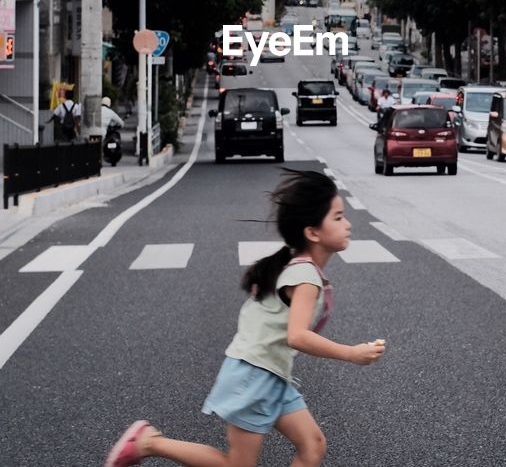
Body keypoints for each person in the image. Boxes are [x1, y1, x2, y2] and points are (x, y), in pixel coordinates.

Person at [103, 169, 386, 467]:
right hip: (254, 374)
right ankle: (149, 442)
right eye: (338, 217)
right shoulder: (305, 276)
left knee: (312, 446)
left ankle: (149, 442)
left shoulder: (298, 267)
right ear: (312, 232)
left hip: (271, 373)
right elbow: (297, 336)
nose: (348, 225)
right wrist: (352, 354)